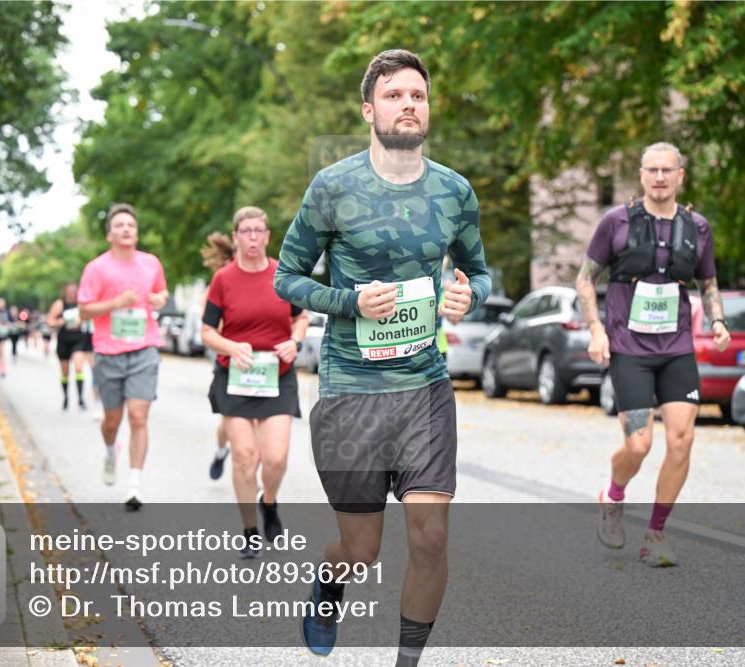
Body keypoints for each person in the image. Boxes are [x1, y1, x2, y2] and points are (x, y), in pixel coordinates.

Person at [274, 50, 490, 665]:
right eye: (394, 95)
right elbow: (287, 276)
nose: (408, 105)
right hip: (351, 388)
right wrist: (347, 301)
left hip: (424, 386)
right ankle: (329, 585)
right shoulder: (333, 187)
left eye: (417, 95)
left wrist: (469, 293)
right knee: (361, 547)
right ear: (369, 109)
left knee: (430, 534)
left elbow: (480, 271)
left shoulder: (454, 191)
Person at [575, 141, 730, 567]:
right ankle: (614, 495)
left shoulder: (697, 227)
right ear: (641, 175)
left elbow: (709, 283)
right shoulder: (616, 222)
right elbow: (585, 278)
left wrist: (717, 320)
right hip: (629, 348)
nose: (659, 177)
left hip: (677, 347)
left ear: (681, 175)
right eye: (652, 170)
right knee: (639, 444)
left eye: (668, 170)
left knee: (682, 441)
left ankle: (655, 535)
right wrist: (596, 329)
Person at [201, 208, 309, 558]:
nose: (251, 237)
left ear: (267, 236)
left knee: (275, 458)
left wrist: (295, 341)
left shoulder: (284, 275)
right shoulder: (223, 279)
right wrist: (231, 346)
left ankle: (270, 502)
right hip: (235, 377)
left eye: (258, 230)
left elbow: (301, 318)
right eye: (245, 231)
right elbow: (206, 332)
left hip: (277, 376)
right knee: (245, 456)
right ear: (235, 237)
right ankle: (249, 529)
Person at [77, 203, 168, 511]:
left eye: (130, 224)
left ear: (136, 232)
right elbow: (84, 309)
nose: (126, 229)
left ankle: (134, 485)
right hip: (109, 351)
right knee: (112, 420)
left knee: (139, 416)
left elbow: (161, 293)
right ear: (109, 235)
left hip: (144, 348)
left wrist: (159, 298)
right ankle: (109, 450)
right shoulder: (97, 268)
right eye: (119, 225)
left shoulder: (151, 263)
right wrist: (118, 302)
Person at [200, 231, 236, 479]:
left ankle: (249, 465)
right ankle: (222, 450)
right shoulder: (221, 280)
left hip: (261, 357)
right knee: (230, 416)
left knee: (259, 416)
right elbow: (208, 322)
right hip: (228, 353)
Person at [46, 281, 91, 411]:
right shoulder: (60, 304)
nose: (72, 293)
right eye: (69, 290)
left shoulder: (81, 303)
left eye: (74, 290)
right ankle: (66, 398)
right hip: (64, 339)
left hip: (78, 339)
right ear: (65, 291)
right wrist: (62, 321)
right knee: (65, 372)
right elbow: (50, 320)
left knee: (78, 368)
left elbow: (89, 315)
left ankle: (81, 399)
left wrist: (81, 319)